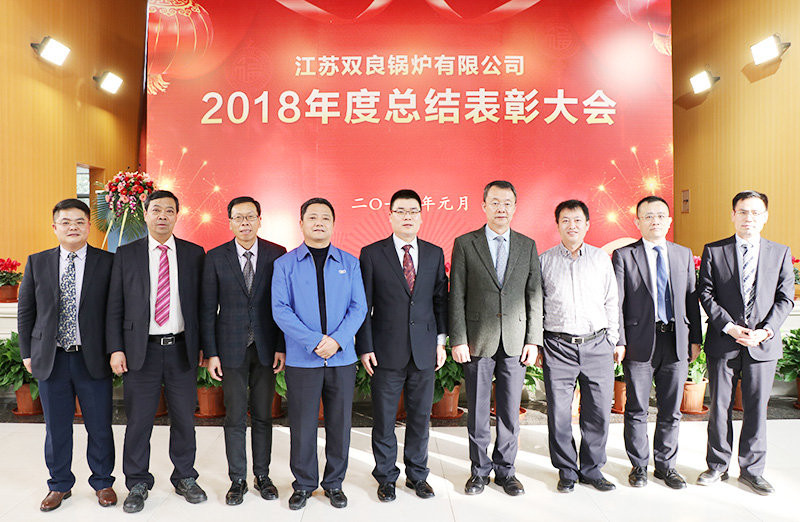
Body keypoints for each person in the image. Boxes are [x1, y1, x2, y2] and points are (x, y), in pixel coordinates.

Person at [107, 190, 207, 513]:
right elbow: (114, 306)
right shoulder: (126, 254)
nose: (162, 216)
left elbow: (203, 307)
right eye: (157, 210)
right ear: (146, 213)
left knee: (184, 418)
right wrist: (116, 349)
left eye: (169, 210)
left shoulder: (194, 254)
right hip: (141, 351)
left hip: (181, 349)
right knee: (138, 420)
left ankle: (185, 476)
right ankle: (137, 481)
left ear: (178, 215)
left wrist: (204, 347)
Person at [17, 199, 117, 512]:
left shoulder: (108, 262)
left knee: (99, 426)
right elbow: (26, 311)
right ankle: (59, 484)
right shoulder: (37, 262)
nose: (72, 227)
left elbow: (116, 311)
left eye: (79, 221)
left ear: (88, 225)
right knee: (56, 428)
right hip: (52, 358)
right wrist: (26, 352)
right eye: (65, 222)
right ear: (55, 227)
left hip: (93, 358)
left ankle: (103, 482)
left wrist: (116, 350)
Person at [272, 197, 367, 510]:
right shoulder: (285, 264)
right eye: (312, 217)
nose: (319, 222)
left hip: (341, 358)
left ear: (334, 224)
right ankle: (304, 484)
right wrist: (314, 341)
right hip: (303, 359)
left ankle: (334, 483)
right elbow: (280, 310)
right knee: (302, 426)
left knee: (340, 424)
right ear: (301, 224)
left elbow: (359, 308)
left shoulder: (350, 263)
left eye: (325, 217)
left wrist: (337, 340)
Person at [696, 190, 794, 495]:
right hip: (724, 342)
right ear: (733, 215)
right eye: (742, 212)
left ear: (765, 217)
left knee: (756, 409)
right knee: (719, 407)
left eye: (755, 212)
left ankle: (752, 471)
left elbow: (785, 298)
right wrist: (729, 327)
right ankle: (717, 465)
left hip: (762, 345)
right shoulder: (715, 250)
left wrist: (766, 331)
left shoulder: (780, 253)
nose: (748, 218)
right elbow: (706, 293)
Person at [449, 180, 542, 496]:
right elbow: (457, 294)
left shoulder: (527, 245)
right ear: (484, 206)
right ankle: (479, 472)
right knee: (477, 412)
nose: (501, 208)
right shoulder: (465, 243)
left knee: (510, 411)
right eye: (495, 202)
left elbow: (534, 295)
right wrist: (458, 339)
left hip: (516, 340)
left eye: (507, 203)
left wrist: (533, 340)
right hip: (478, 339)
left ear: (514, 208)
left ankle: (506, 472)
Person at [356, 189, 448, 502]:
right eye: (401, 211)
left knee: (420, 418)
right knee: (384, 419)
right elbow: (364, 305)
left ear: (421, 216)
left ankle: (418, 475)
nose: (407, 216)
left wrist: (440, 342)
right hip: (384, 351)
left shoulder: (434, 253)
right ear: (391, 216)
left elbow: (440, 300)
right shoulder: (372, 253)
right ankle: (385, 477)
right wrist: (365, 346)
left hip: (424, 350)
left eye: (413, 211)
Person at [200, 196, 287, 505]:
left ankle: (262, 476)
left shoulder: (277, 254)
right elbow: (207, 309)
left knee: (263, 416)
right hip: (230, 349)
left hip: (266, 349)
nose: (245, 222)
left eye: (250, 216)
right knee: (235, 417)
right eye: (238, 217)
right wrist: (211, 353)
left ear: (260, 220)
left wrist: (281, 346)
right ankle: (237, 479)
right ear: (230, 223)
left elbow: (283, 305)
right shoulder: (215, 257)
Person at [612, 196, 702, 489]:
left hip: (675, 341)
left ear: (669, 220)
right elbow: (617, 303)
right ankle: (639, 466)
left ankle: (666, 466)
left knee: (671, 409)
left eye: (661, 215)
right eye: (648, 216)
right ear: (637, 221)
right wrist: (619, 340)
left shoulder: (682, 254)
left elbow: (691, 299)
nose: (655, 221)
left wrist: (695, 339)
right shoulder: (625, 256)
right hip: (639, 342)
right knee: (636, 408)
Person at [538, 200, 619, 493]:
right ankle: (567, 470)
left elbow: (612, 300)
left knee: (598, 411)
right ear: (557, 225)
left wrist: (612, 338)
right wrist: (539, 344)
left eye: (577, 220)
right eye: (565, 220)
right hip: (558, 347)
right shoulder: (544, 261)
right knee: (559, 413)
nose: (572, 226)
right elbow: (536, 305)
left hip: (597, 344)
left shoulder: (601, 259)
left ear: (587, 225)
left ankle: (592, 469)